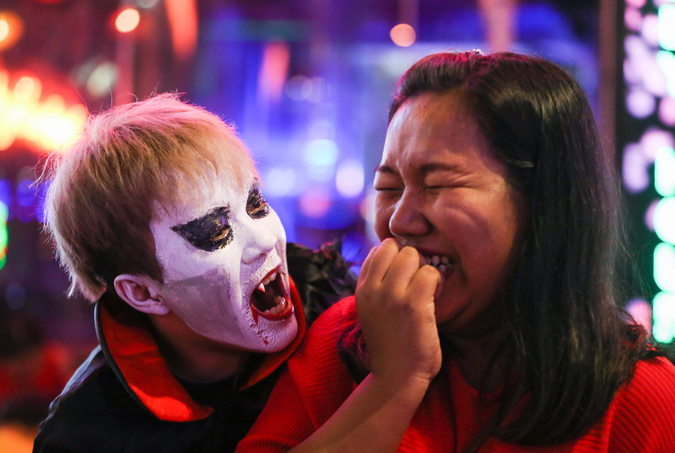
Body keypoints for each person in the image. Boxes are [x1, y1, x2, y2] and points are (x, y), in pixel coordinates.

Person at [237, 51, 675, 452]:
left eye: (439, 185)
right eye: (389, 188)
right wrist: (393, 383)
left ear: (543, 203)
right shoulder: (347, 338)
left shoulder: (638, 399)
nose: (399, 221)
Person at [32, 94, 355, 453]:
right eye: (214, 230)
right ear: (142, 293)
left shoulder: (345, 313)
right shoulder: (84, 437)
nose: (264, 239)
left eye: (256, 204)